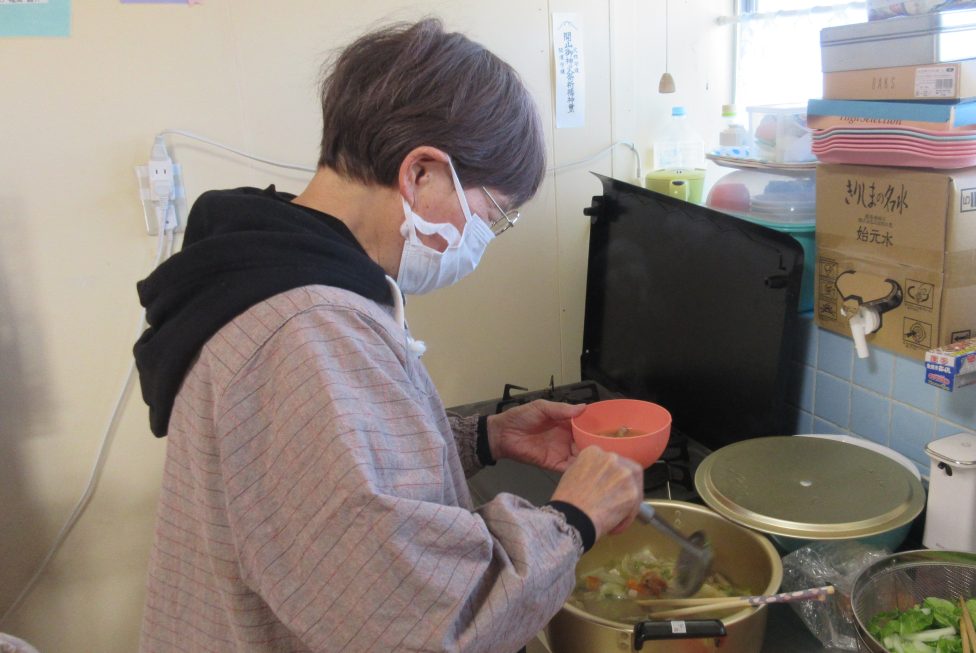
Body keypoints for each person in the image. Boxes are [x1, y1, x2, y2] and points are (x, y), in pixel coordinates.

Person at [132, 18, 643, 653]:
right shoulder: (305, 330)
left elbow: (328, 487)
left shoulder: (273, 264)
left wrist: (483, 437)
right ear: (421, 172)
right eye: (493, 214)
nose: (487, 236)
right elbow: (425, 623)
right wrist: (572, 519)